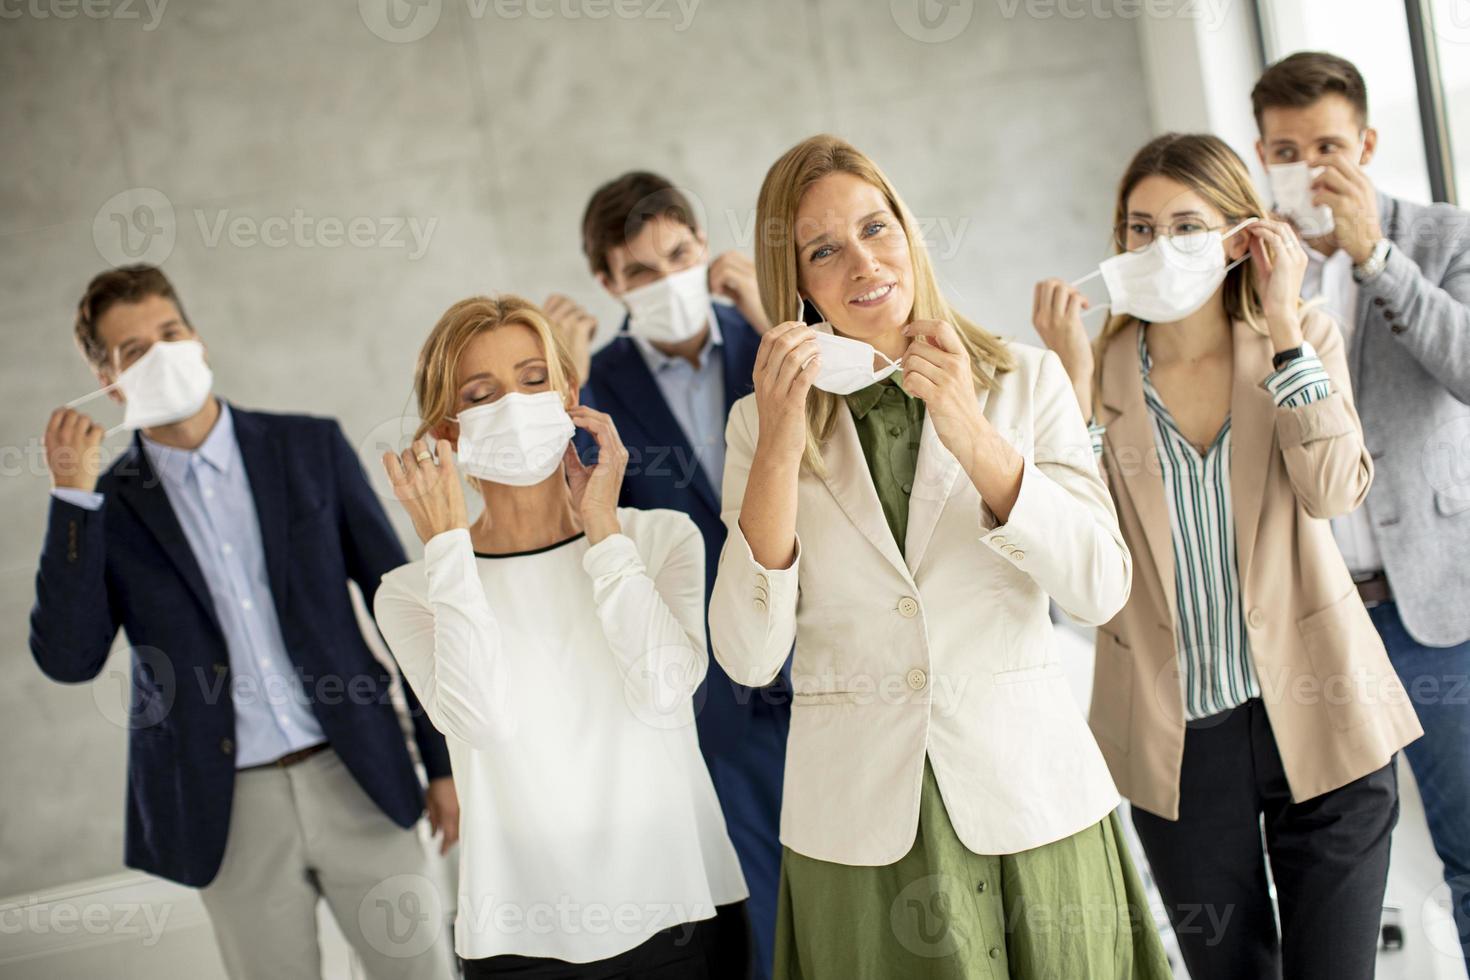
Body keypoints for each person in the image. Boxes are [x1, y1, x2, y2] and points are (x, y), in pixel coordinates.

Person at [709, 134, 1171, 980]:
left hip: (1032, 801)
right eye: (824, 249)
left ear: (911, 233)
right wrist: (778, 444)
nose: (863, 262)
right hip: (861, 833)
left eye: (877, 228)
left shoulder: (1026, 382)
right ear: (798, 285)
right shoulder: (756, 424)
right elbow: (747, 652)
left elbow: (1101, 587)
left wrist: (967, 424)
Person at [1033, 132, 1424, 980]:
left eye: (1185, 225)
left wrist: (1282, 320)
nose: (1157, 247)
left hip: (1324, 717)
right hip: (1179, 743)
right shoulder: (1093, 372)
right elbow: (1076, 557)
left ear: (1239, 236)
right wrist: (1067, 380)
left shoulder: (1300, 335)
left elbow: (1332, 489)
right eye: (1139, 228)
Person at [29, 264, 458, 980]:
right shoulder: (109, 505)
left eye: (170, 333)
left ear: (196, 339)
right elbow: (69, 658)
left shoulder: (309, 448)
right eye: (135, 351)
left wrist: (442, 765)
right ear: (109, 381)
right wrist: (72, 501)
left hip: (360, 773)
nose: (162, 354)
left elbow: (404, 609)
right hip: (223, 806)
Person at [371, 295, 749, 978]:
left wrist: (604, 531)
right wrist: (449, 550)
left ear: (569, 393)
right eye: (480, 394)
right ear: (448, 430)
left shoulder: (660, 539)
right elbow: (481, 721)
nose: (513, 403)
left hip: (679, 909)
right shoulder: (412, 591)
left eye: (533, 379)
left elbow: (665, 689)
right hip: (522, 936)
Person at [1252, 51, 1470, 971]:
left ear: (1369, 144)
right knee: (1329, 862)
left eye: (1330, 145)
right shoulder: (1254, 265)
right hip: (1319, 616)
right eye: (1286, 149)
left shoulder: (1441, 238)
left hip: (1431, 604)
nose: (1309, 167)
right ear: (1261, 155)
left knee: (1469, 848)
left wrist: (1376, 255)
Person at [543, 171, 788, 978]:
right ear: (609, 284)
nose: (666, 278)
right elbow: (574, 518)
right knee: (760, 903)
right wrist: (559, 389)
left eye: (678, 254)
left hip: (825, 655)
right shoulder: (599, 382)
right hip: (709, 690)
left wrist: (773, 315)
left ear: (705, 246)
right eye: (641, 271)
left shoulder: (770, 339)